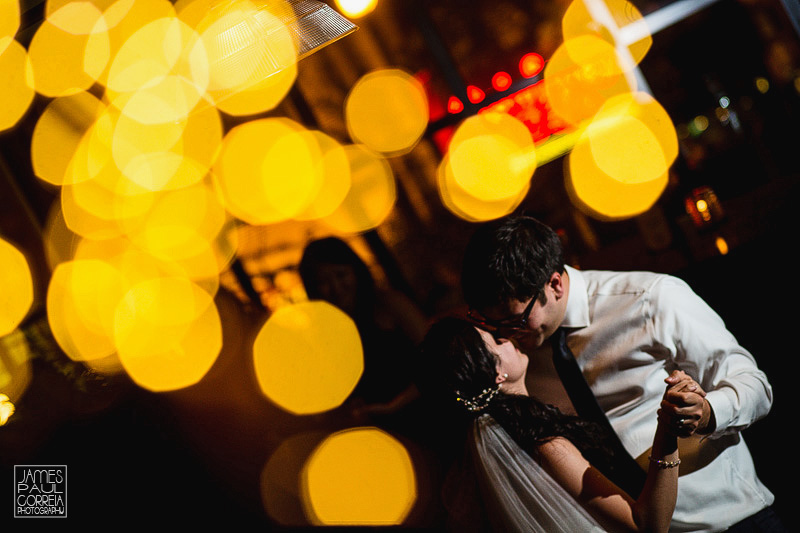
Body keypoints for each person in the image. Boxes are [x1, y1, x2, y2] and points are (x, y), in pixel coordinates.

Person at [459, 214, 783, 532]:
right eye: (495, 323)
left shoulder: (650, 299)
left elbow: (755, 387)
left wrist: (708, 412)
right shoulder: (520, 357)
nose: (507, 333)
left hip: (730, 519)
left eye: (515, 319)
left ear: (555, 284)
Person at [420, 316, 693, 532]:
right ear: (496, 374)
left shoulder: (482, 456)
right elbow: (646, 524)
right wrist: (668, 429)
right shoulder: (544, 447)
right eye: (494, 339)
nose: (505, 336)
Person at [298, 236, 429, 433]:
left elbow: (438, 363)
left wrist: (395, 405)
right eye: (323, 281)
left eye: (341, 275)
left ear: (356, 271)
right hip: (381, 432)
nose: (335, 288)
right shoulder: (325, 333)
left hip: (427, 414)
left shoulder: (390, 304)